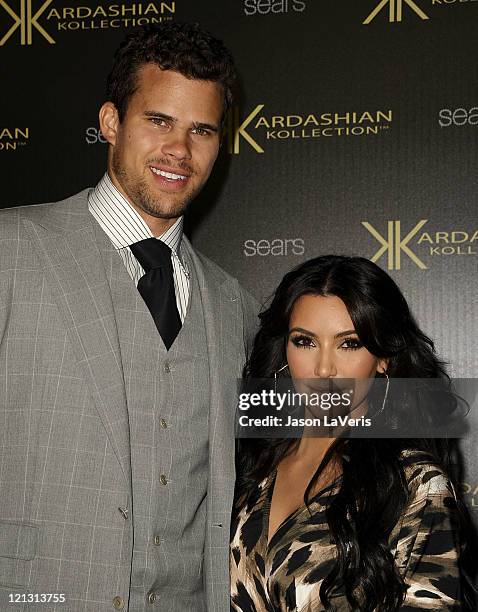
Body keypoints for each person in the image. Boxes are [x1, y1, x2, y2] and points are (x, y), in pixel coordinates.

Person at [0, 22, 258, 612]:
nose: (180, 151)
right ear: (112, 122)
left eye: (202, 130)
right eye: (159, 121)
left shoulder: (229, 303)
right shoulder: (11, 249)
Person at [231, 255, 477, 611]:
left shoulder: (416, 482)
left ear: (383, 359)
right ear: (284, 349)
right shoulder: (251, 467)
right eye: (305, 341)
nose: (324, 368)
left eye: (349, 344)